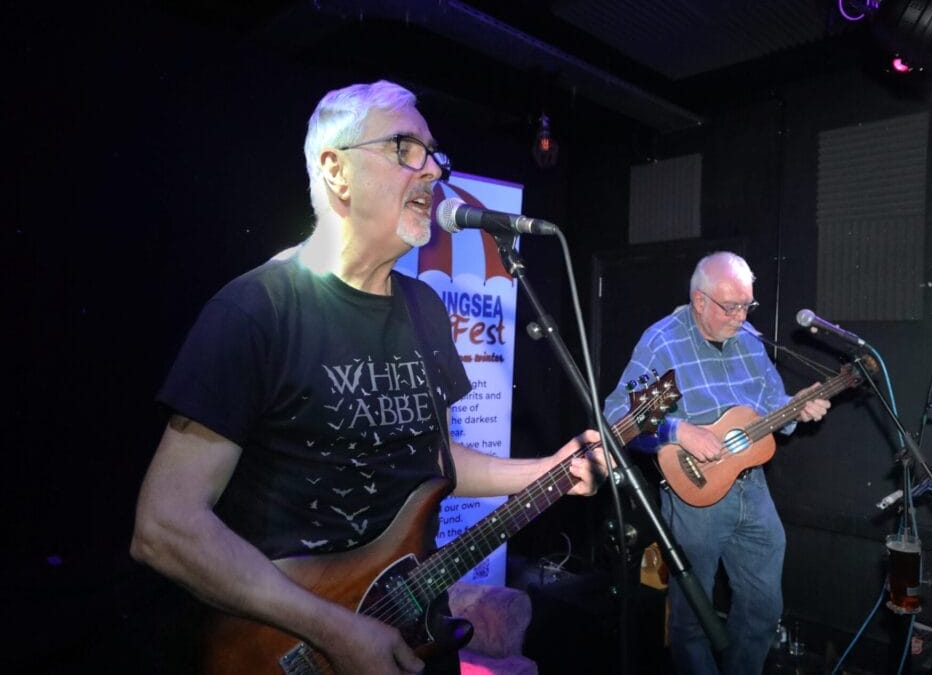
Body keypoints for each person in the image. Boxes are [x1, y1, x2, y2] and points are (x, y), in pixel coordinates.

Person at [130, 80, 605, 675]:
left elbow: (430, 463)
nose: (433, 172)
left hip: (415, 635)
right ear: (336, 171)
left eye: (435, 155)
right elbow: (164, 526)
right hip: (290, 647)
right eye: (406, 148)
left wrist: (548, 471)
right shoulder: (257, 311)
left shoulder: (425, 310)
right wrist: (335, 630)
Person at [603, 251, 830, 675]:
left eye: (747, 304)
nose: (740, 316)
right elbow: (618, 414)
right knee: (693, 619)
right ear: (699, 301)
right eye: (731, 306)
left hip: (753, 488)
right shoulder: (663, 341)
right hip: (695, 495)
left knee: (765, 607)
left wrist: (796, 408)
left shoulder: (748, 339)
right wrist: (678, 431)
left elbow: (769, 404)